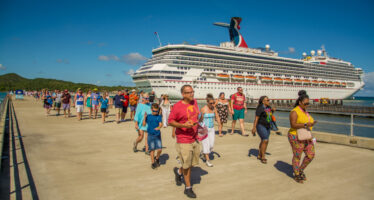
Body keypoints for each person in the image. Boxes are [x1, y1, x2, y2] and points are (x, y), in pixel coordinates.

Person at [168, 85, 200, 198]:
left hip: (195, 137)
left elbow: (195, 117)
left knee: (190, 164)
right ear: (183, 94)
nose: (192, 94)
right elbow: (170, 121)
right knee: (187, 165)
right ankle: (188, 188)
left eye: (192, 91)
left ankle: (178, 172)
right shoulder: (177, 107)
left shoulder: (194, 102)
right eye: (189, 92)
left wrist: (200, 126)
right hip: (183, 139)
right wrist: (183, 125)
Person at [288, 90, 317, 183]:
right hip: (295, 136)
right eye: (305, 103)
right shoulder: (294, 112)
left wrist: (311, 124)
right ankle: (296, 173)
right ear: (300, 102)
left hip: (306, 136)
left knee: (311, 155)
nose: (307, 105)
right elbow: (293, 125)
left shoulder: (305, 111)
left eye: (308, 103)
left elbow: (306, 123)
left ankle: (300, 169)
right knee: (297, 156)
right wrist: (305, 125)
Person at [199, 94, 221, 167]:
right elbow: (199, 120)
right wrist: (201, 116)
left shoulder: (214, 108)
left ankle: (203, 152)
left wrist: (219, 125)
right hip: (204, 128)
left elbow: (217, 116)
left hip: (211, 128)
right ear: (207, 102)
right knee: (206, 144)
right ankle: (208, 160)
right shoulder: (203, 109)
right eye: (211, 103)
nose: (212, 104)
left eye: (213, 103)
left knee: (211, 145)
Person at [251, 96, 275, 164]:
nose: (268, 101)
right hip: (260, 125)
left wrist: (272, 111)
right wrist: (254, 127)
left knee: (264, 141)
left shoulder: (268, 107)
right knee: (265, 140)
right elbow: (256, 118)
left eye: (268, 100)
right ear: (263, 101)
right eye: (267, 100)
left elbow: (268, 115)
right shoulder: (260, 108)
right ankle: (263, 157)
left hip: (268, 126)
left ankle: (259, 154)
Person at [143, 103, 163, 169]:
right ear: (151, 110)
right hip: (150, 135)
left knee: (160, 149)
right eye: (154, 111)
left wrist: (159, 127)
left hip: (157, 135)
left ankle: (157, 158)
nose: (155, 112)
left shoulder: (159, 116)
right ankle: (153, 162)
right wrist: (144, 117)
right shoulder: (148, 116)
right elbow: (143, 124)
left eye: (157, 111)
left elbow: (160, 124)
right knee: (152, 149)